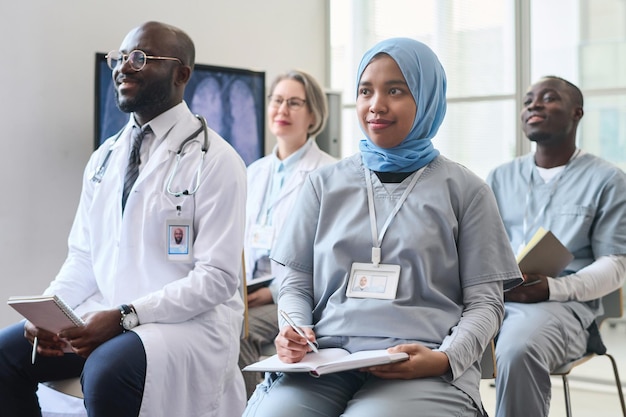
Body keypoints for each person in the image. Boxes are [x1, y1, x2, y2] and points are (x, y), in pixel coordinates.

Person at [243, 37, 522, 417]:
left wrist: (444, 359)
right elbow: (295, 283)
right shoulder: (323, 185)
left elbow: (486, 304)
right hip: (325, 361)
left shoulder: (466, 191)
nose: (376, 105)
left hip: (421, 366)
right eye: (365, 91)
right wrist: (295, 329)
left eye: (395, 90)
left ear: (427, 98)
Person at [0, 21, 247, 417]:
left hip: (187, 327)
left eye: (140, 58)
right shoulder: (104, 158)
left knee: (105, 371)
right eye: (120, 58)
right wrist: (49, 311)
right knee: (7, 353)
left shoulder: (217, 161)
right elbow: (83, 255)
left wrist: (126, 316)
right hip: (112, 315)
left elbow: (217, 279)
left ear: (182, 74)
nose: (122, 68)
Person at [486, 76, 626, 417]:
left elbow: (616, 264)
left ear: (576, 113)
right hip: (494, 300)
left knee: (518, 348)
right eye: (528, 100)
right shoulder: (499, 178)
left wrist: (554, 288)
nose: (533, 105)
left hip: (563, 308)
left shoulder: (607, 180)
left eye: (548, 98)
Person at [239, 69, 337, 397]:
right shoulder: (253, 172)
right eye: (277, 100)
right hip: (246, 291)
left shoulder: (328, 173)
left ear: (313, 115)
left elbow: (326, 256)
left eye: (294, 103)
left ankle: (253, 407)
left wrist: (271, 290)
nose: (282, 110)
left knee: (238, 331)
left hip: (292, 294)